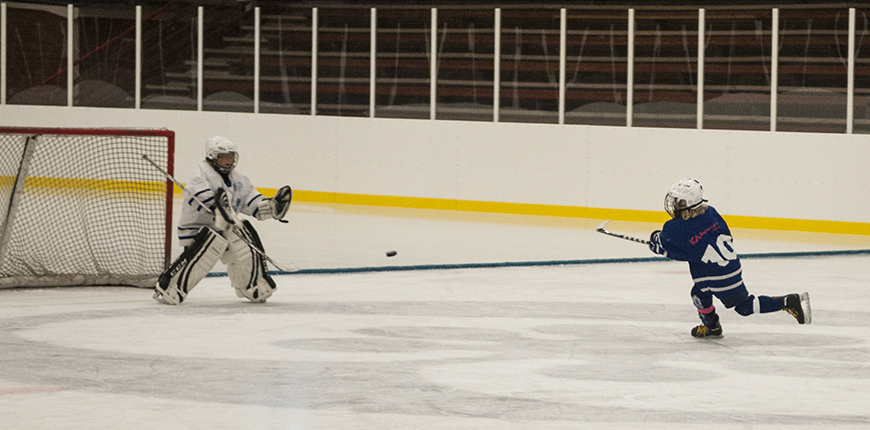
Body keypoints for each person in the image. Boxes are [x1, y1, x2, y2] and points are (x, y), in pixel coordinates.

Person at [647, 178, 811, 338]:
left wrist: (659, 246)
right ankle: (712, 326)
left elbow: (679, 250)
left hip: (715, 275)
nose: (673, 204)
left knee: (744, 307)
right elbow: (698, 246)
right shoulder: (710, 212)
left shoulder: (674, 227)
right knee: (699, 293)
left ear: (687, 203)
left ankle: (787, 302)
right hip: (730, 267)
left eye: (678, 201)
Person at [153, 136, 292, 305]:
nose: (228, 161)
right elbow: (201, 198)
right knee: (210, 243)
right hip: (197, 229)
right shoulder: (201, 174)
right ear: (212, 156)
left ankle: (253, 286)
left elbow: (251, 201)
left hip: (226, 227)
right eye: (224, 157)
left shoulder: (239, 179)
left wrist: (270, 207)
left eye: (231, 157)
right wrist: (216, 206)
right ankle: (170, 287)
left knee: (246, 241)